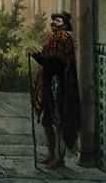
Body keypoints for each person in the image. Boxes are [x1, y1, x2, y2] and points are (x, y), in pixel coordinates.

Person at [27, 11, 80, 168]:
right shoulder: (53, 38)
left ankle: (59, 158)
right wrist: (38, 55)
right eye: (53, 21)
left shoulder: (63, 38)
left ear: (64, 23)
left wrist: (35, 55)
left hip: (59, 86)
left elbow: (53, 63)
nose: (53, 23)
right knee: (47, 121)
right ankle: (51, 155)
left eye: (57, 21)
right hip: (49, 85)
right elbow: (47, 58)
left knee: (58, 123)